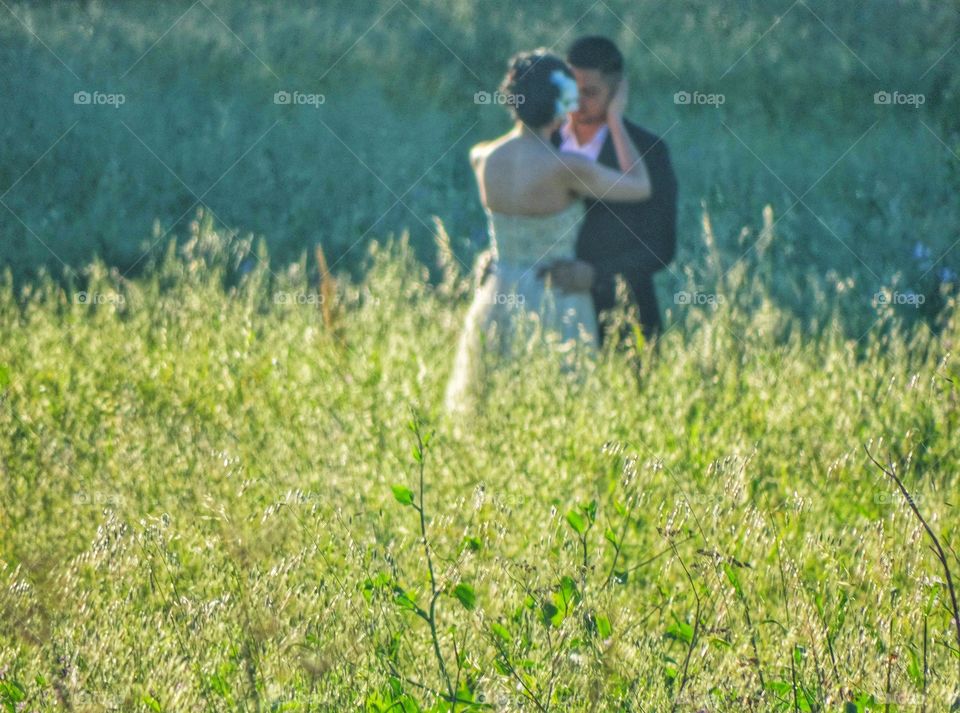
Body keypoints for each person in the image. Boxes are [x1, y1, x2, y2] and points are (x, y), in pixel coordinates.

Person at [444, 48, 652, 413]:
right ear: (558, 105)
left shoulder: (483, 157)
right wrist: (616, 120)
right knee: (559, 401)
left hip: (499, 291)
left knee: (493, 401)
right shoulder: (566, 167)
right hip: (555, 294)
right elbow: (639, 185)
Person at [543, 36, 678, 346]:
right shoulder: (543, 142)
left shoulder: (649, 151)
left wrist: (596, 274)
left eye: (590, 93)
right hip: (548, 310)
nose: (576, 103)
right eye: (570, 91)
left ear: (617, 90)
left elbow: (661, 246)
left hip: (624, 318)